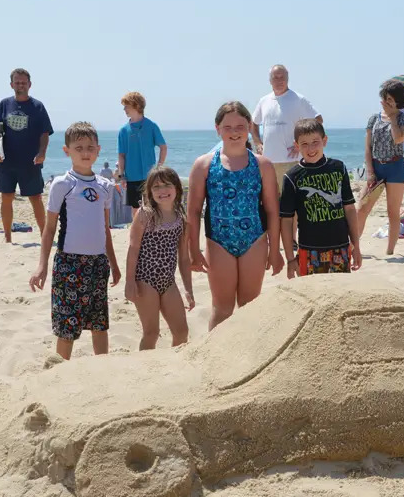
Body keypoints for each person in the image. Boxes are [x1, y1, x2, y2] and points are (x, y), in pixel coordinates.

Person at [187, 102, 284, 330]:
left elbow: (272, 210)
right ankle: (215, 360)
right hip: (219, 243)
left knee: (250, 306)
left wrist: (275, 249)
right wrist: (193, 250)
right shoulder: (203, 165)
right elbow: (193, 211)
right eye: (227, 127)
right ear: (217, 129)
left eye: (240, 126)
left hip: (255, 241)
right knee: (222, 308)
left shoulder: (263, 165)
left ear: (249, 127)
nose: (234, 132)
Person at [29, 122, 121, 361]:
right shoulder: (63, 184)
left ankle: (103, 366)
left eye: (90, 147)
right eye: (78, 147)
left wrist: (114, 264)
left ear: (98, 150)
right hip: (69, 263)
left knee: (99, 322)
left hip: (98, 263)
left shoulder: (105, 186)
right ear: (66, 150)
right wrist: (41, 266)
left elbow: (105, 228)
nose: (85, 152)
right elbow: (49, 229)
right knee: (67, 325)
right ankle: (61, 370)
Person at [279, 119, 361, 278]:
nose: (310, 148)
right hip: (308, 250)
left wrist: (356, 246)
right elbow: (286, 220)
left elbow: (349, 209)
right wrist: (290, 258)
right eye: (304, 144)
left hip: (341, 247)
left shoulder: (339, 168)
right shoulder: (291, 177)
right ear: (297, 146)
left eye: (315, 142)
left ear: (325, 141)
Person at [125, 166, 194, 350]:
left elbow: (184, 258)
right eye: (156, 187)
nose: (162, 191)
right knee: (151, 332)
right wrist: (129, 281)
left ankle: (173, 366)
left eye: (166, 185)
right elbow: (133, 248)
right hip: (145, 279)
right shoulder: (145, 214)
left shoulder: (180, 217)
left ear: (177, 188)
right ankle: (145, 370)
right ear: (149, 192)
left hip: (168, 281)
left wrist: (188, 289)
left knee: (181, 331)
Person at [251, 65, 322, 244]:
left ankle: (291, 239)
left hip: (293, 161)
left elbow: (318, 120)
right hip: (268, 162)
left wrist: (302, 145)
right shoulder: (264, 101)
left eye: (282, 77)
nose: (279, 80)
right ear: (270, 80)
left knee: (293, 205)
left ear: (288, 78)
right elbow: (253, 123)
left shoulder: (298, 99)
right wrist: (258, 143)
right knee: (269, 203)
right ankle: (271, 239)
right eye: (275, 77)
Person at [0, 68, 53, 243]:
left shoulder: (38, 106)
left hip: (30, 162)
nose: (20, 85)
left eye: (23, 82)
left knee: (35, 198)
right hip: (6, 161)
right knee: (6, 197)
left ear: (30, 84)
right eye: (17, 82)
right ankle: (7, 237)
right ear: (11, 85)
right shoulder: (4, 104)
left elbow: (45, 133)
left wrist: (42, 153)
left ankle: (45, 235)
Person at [355, 79, 404, 255]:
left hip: (396, 166)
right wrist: (370, 172)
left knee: (392, 212)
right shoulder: (374, 118)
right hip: (377, 166)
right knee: (362, 208)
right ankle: (353, 247)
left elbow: (398, 139)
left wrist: (393, 118)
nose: (387, 102)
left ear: (398, 101)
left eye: (391, 99)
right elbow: (367, 147)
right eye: (385, 98)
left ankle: (390, 250)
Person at [116, 91, 167, 217]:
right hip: (132, 178)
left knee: (153, 208)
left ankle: (152, 234)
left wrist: (159, 168)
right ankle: (138, 235)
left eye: (126, 106)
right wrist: (122, 175)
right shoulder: (123, 131)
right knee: (136, 211)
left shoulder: (152, 126)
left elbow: (163, 147)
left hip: (150, 177)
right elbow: (121, 155)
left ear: (136, 105)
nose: (124, 109)